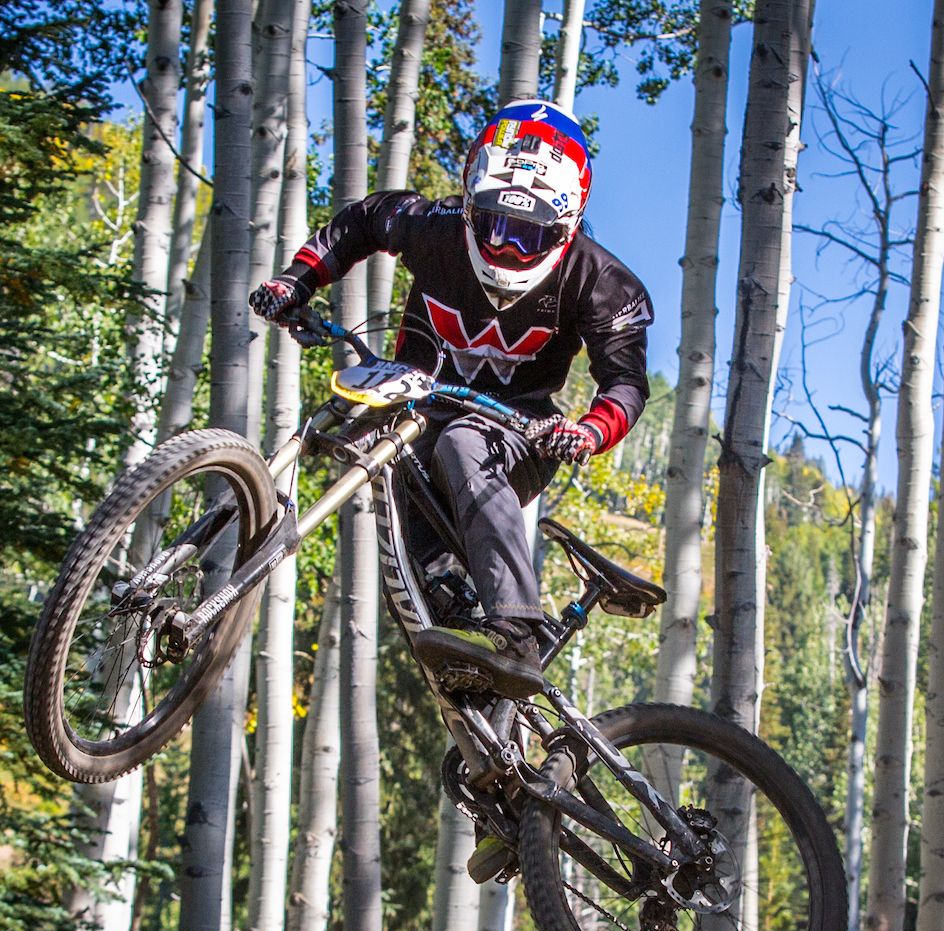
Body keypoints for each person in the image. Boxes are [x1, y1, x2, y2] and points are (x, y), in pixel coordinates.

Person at [248, 99, 653, 690]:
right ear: (468, 204)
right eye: (493, 222)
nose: (506, 247)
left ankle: (518, 634)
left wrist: (589, 431)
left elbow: (625, 382)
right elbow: (361, 221)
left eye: (529, 234)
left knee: (464, 444)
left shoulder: (602, 282)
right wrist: (297, 280)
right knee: (411, 578)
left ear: (567, 227)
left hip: (520, 430)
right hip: (416, 405)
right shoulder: (434, 227)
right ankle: (489, 731)